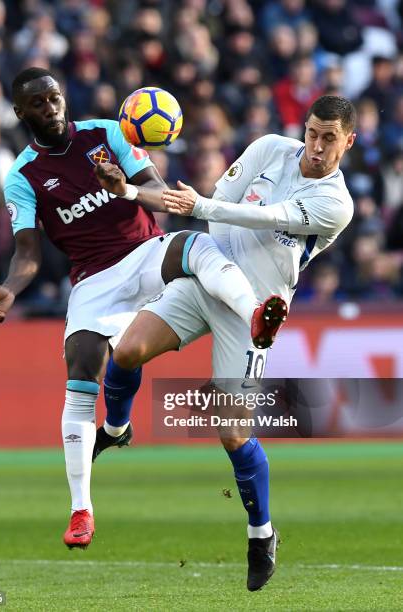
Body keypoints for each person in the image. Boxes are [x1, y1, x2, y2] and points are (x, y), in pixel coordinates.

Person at [0, 66, 275, 551]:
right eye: (37, 103)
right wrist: (9, 288)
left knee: (196, 247)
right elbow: (27, 252)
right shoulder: (22, 177)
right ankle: (81, 510)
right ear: (20, 112)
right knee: (81, 369)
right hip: (94, 278)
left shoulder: (108, 133)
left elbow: (166, 198)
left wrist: (125, 190)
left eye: (54, 97)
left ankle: (256, 312)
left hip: (145, 252)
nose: (49, 108)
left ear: (63, 97)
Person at [93, 95, 356, 591]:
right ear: (305, 128)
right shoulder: (268, 148)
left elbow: (263, 215)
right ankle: (116, 427)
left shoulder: (334, 203)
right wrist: (129, 191)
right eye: (313, 133)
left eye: (329, 139)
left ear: (349, 141)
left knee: (231, 433)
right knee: (125, 349)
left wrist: (206, 207)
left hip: (256, 308)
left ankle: (262, 533)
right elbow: (214, 213)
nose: (317, 147)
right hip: (206, 277)